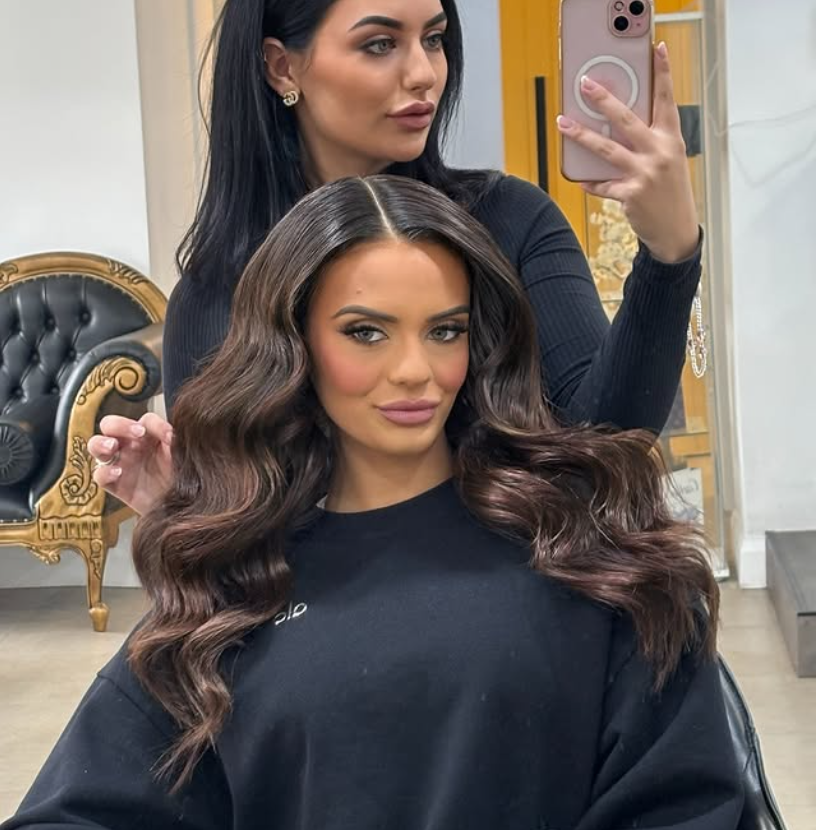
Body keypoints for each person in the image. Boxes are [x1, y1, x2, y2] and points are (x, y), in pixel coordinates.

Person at [6, 176, 741, 830]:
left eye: (444, 330)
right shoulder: (230, 593)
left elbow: (688, 799)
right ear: (293, 344)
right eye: (365, 332)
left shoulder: (592, 559)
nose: (416, 371)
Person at [88, 0, 704, 517]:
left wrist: (669, 252)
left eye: (434, 39)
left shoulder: (512, 222)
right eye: (380, 44)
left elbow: (608, 434)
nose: (424, 74)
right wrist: (180, 513)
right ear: (282, 67)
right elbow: (236, 538)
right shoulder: (217, 291)